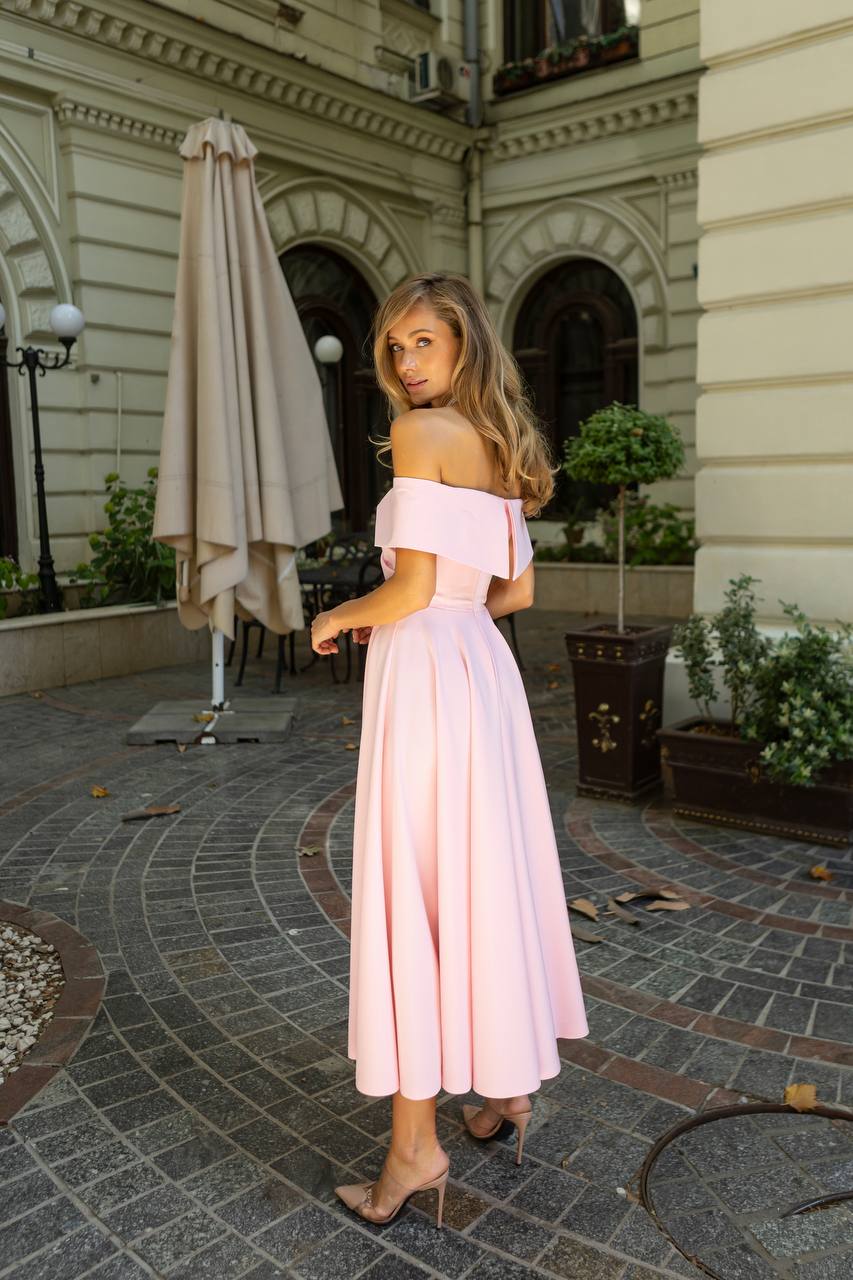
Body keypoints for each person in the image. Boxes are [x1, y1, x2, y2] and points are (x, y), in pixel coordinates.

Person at [310, 272, 589, 1228]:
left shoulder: (421, 434)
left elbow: (411, 590)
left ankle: (412, 1150)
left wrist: (340, 614)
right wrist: (445, 610)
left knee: (418, 889)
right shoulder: (501, 444)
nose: (404, 361)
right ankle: (506, 1089)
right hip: (480, 674)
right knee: (478, 878)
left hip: (426, 676)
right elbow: (515, 593)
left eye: (422, 341)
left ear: (464, 342)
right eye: (394, 346)